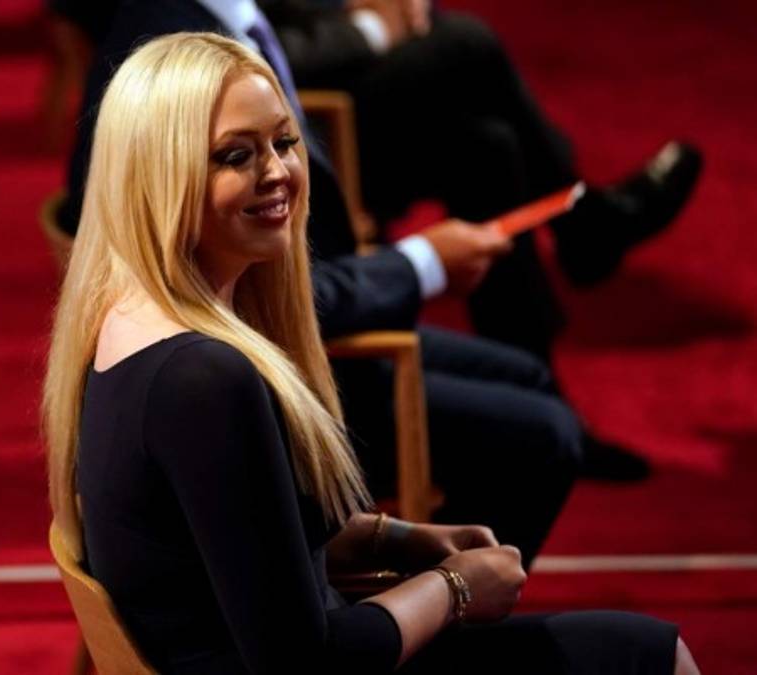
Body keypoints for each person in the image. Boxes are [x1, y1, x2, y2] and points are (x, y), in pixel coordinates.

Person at [43, 32, 700, 675]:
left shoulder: (125, 325)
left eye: (285, 142)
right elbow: (306, 662)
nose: (278, 172)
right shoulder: (204, 379)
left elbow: (237, 553)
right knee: (648, 654)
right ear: (159, 178)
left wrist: (401, 539)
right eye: (235, 156)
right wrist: (455, 588)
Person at [263, 0, 703, 361]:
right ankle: (585, 222)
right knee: (467, 44)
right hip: (300, 139)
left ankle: (535, 383)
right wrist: (370, 28)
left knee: (484, 149)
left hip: (332, 80)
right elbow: (252, 52)